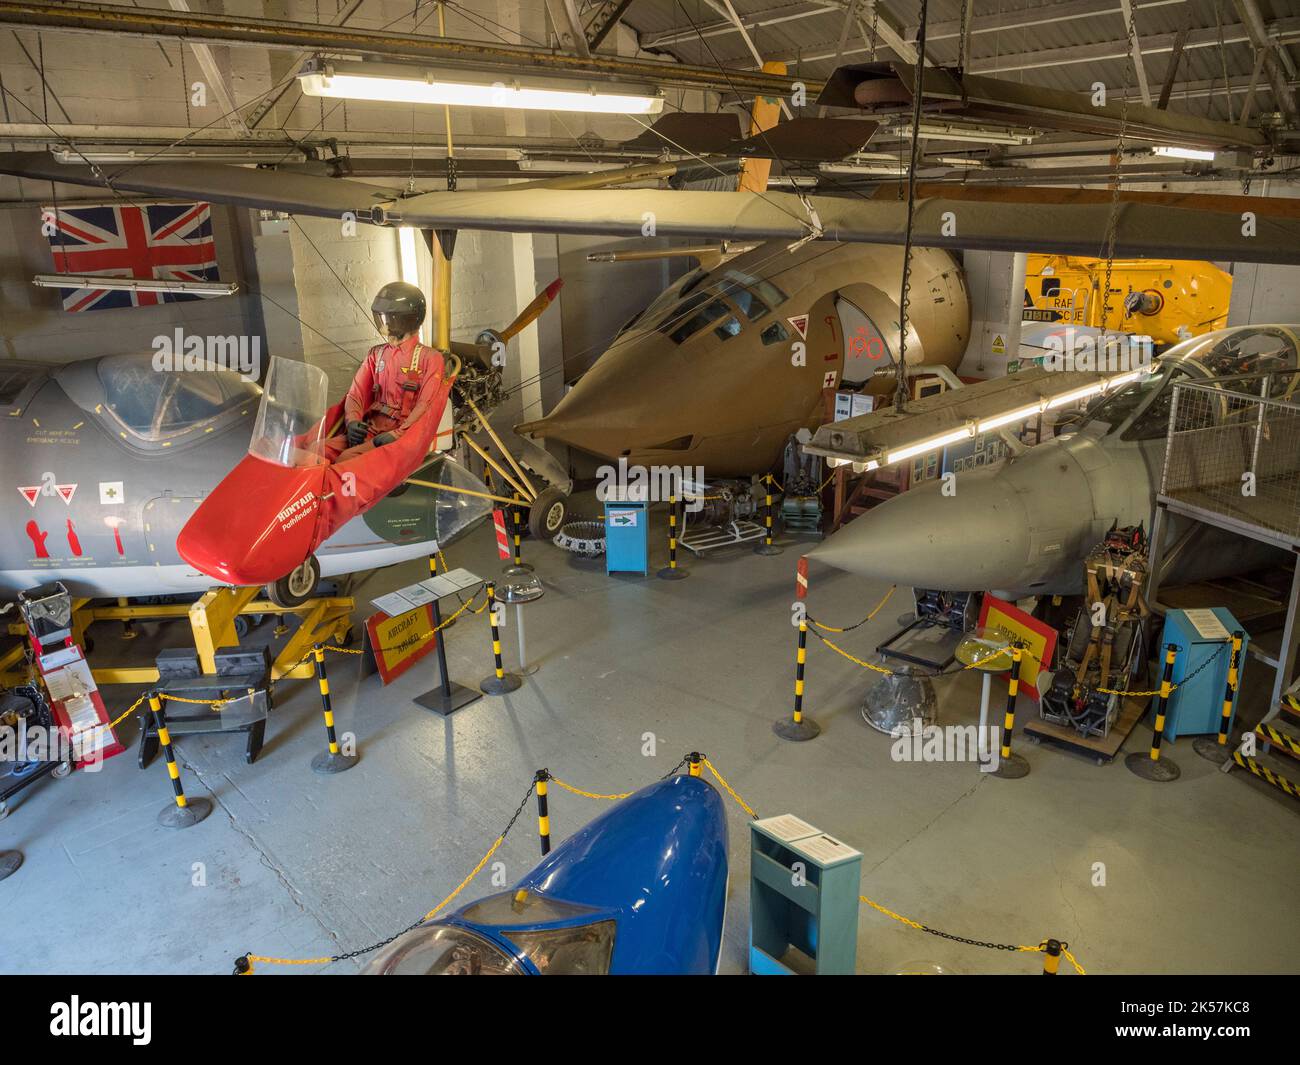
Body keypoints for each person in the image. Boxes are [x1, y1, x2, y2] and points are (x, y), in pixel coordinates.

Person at [318, 281, 446, 463]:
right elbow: (356, 394)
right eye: (383, 318)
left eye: (390, 319)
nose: (385, 325)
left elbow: (425, 405)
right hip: (369, 429)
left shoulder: (429, 358)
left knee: (346, 460)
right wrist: (353, 422)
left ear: (407, 320)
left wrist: (398, 434)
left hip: (400, 436)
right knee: (317, 450)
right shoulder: (376, 354)